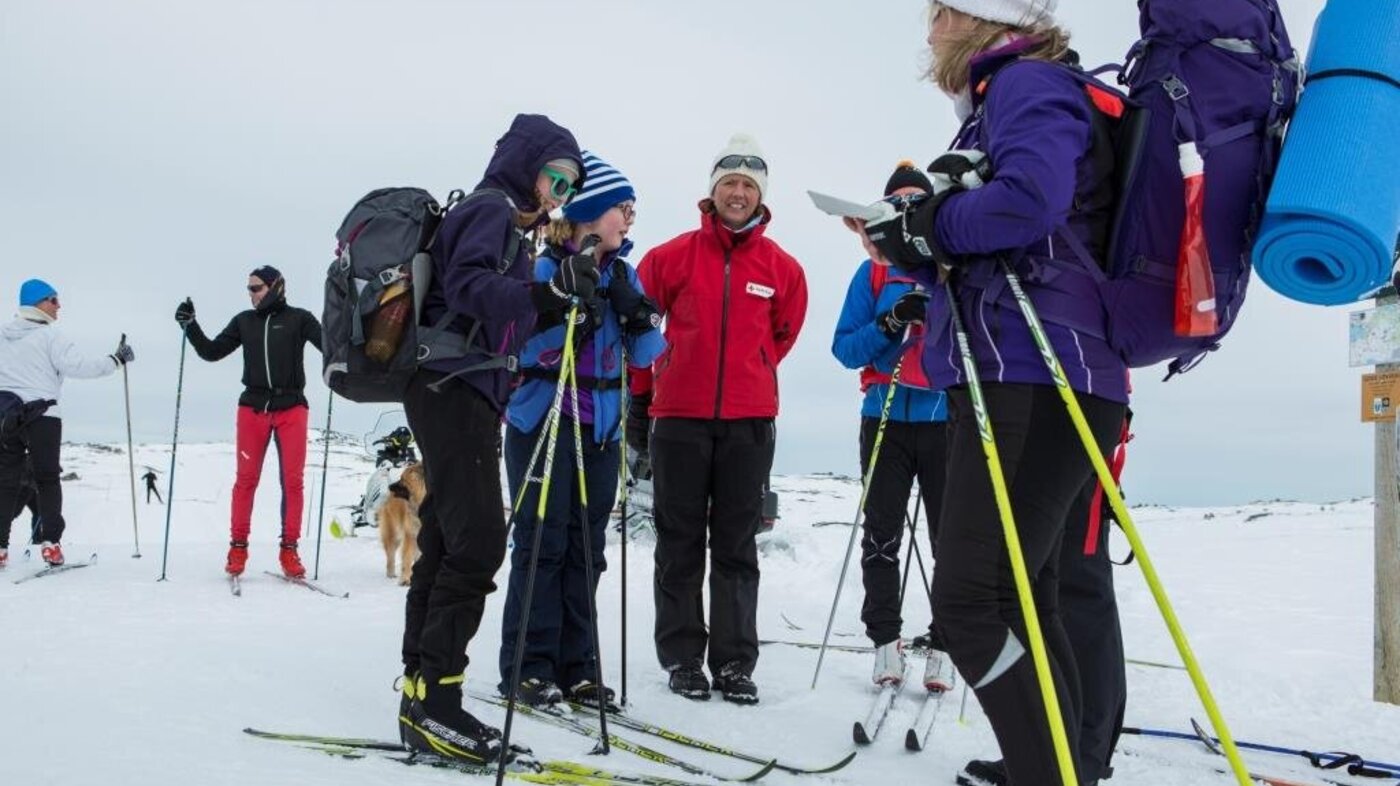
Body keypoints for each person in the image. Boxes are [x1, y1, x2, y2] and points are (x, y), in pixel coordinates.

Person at [856, 2, 1130, 783]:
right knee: (1021, 599)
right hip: (1043, 367)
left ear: (980, 18)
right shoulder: (1010, 94)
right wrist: (906, 242)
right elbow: (1004, 242)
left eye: (941, 13)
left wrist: (929, 227)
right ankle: (1061, 766)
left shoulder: (1026, 84)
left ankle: (1051, 774)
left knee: (971, 608)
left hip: (1033, 371)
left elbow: (1027, 205)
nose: (930, 28)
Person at [395, 113, 586, 763]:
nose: (557, 191)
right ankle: (437, 703)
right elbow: (474, 288)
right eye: (552, 175)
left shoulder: (509, 221)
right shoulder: (490, 210)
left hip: (459, 390)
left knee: (449, 541)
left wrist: (554, 303)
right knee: (477, 545)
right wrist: (545, 291)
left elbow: (498, 310)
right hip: (452, 390)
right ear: (524, 162)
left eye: (568, 182)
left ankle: (420, 693)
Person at [629, 133, 809, 704]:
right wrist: (642, 400)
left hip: (749, 423)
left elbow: (782, 335)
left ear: (761, 197)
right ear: (712, 192)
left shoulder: (783, 268)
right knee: (679, 543)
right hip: (677, 418)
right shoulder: (668, 258)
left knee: (736, 545)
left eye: (748, 185)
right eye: (729, 182)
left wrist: (748, 372)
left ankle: (734, 663)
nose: (738, 193)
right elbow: (639, 330)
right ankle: (683, 657)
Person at [498, 151, 665, 710]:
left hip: (600, 431)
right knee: (543, 544)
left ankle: (580, 667)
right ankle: (528, 665)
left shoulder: (623, 273)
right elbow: (518, 347)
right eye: (623, 208)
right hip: (545, 421)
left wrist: (636, 314)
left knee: (586, 549)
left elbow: (647, 355)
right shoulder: (542, 269)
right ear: (591, 212)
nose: (629, 218)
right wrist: (567, 314)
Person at [831, 161, 954, 693]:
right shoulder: (873, 274)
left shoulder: (952, 265)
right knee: (881, 534)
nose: (905, 210)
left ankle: (946, 645)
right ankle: (886, 644)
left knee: (950, 538)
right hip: (882, 413)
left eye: (914, 202)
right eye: (896, 202)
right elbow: (844, 348)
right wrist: (890, 321)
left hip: (944, 419)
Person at [174, 266, 322, 578]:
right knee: (246, 480)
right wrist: (190, 326)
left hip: (291, 408)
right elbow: (212, 352)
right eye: (249, 289)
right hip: (252, 408)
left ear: (275, 287)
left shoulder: (300, 319)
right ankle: (238, 548)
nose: (251, 294)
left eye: (256, 288)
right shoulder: (244, 321)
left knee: (292, 482)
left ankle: (289, 551)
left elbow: (330, 346)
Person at [0, 279, 134, 568]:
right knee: (47, 480)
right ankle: (51, 545)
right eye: (53, 300)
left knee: (6, 482)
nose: (58, 306)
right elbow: (78, 367)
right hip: (43, 417)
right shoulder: (51, 337)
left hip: (6, 417)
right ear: (38, 302)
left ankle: (0, 548)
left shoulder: (2, 334)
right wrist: (116, 360)